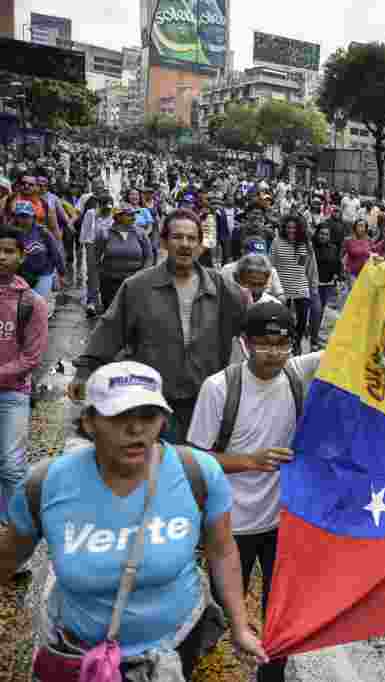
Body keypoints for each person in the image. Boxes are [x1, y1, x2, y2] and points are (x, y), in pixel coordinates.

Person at [1, 361, 267, 678]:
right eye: (119, 416)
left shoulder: (197, 472)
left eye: (147, 416)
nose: (136, 429)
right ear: (89, 422)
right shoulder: (45, 484)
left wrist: (239, 626)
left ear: (162, 420)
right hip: (77, 651)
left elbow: (222, 551)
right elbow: (8, 557)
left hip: (175, 646)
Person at [187, 302, 322, 682]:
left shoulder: (296, 375)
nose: (275, 354)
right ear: (245, 344)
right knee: (219, 613)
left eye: (283, 345)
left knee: (279, 611)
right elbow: (196, 459)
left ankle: (272, 673)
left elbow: (355, 344)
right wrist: (250, 461)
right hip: (230, 525)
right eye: (264, 345)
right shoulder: (219, 388)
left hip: (282, 521)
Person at [70, 209, 248, 441]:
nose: (185, 244)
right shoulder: (138, 287)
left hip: (205, 399)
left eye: (192, 238)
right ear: (164, 241)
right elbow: (110, 330)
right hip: (154, 399)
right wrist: (84, 372)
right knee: (158, 466)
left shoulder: (221, 286)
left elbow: (252, 326)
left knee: (199, 467)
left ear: (200, 244)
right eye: (177, 237)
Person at [0, 226, 47, 574]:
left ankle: (15, 542)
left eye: (8, 251)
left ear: (20, 256)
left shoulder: (31, 302)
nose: (2, 256)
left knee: (12, 467)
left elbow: (31, 358)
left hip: (13, 394)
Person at [270, 215, 318, 356]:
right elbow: (271, 265)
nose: (291, 230)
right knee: (283, 319)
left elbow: (310, 267)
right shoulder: (277, 242)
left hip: (301, 286)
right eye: (288, 227)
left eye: (294, 228)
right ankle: (284, 340)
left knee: (302, 319)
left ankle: (296, 341)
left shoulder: (305, 244)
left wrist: (313, 287)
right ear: (284, 228)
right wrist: (270, 287)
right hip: (281, 287)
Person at [95, 207, 154, 314]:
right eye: (129, 215)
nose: (133, 217)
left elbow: (149, 257)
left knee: (133, 313)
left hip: (134, 282)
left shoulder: (140, 233)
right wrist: (99, 277)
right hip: (110, 282)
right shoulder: (105, 233)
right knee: (111, 314)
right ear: (118, 217)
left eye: (133, 215)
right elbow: (96, 257)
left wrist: (143, 274)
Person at [11, 199, 65, 303]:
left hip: (44, 272)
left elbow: (55, 253)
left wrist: (61, 273)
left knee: (38, 303)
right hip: (21, 274)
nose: (23, 219)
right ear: (16, 217)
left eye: (26, 216)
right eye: (20, 216)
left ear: (33, 217)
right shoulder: (13, 233)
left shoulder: (43, 232)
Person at [310, 226, 340, 351]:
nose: (323, 236)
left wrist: (337, 277)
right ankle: (314, 339)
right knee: (316, 310)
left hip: (327, 284)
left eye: (326, 234)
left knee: (321, 311)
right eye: (321, 234)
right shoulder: (310, 247)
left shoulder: (333, 248)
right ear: (317, 234)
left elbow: (337, 264)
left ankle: (314, 332)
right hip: (313, 284)